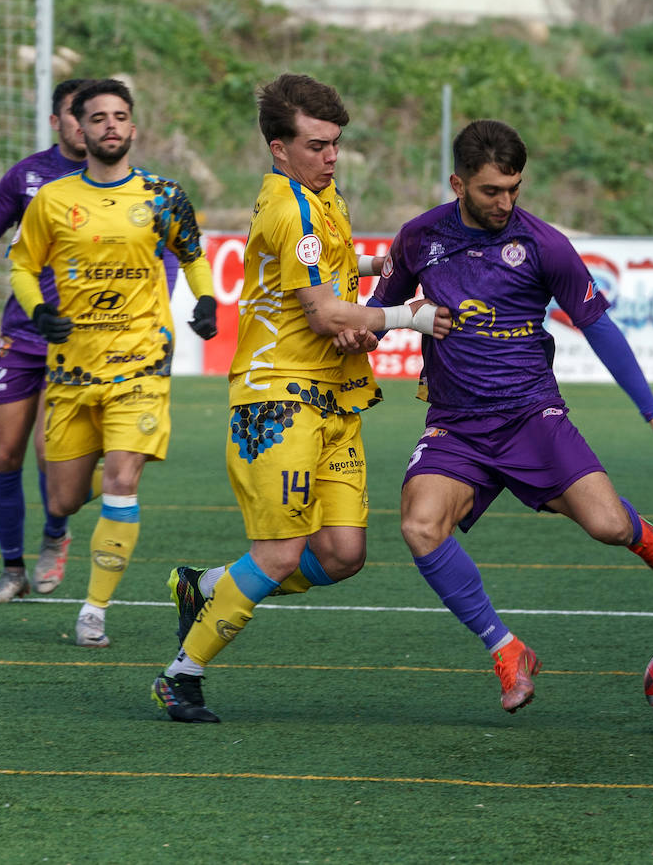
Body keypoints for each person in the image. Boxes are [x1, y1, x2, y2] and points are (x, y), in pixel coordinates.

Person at [366, 119, 653, 714]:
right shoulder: (419, 238)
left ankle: (638, 531)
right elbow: (376, 314)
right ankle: (507, 649)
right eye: (492, 190)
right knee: (420, 526)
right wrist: (379, 325)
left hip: (531, 417)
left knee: (604, 526)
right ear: (458, 183)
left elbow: (598, 326)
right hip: (456, 425)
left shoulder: (544, 244)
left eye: (514, 188)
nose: (505, 202)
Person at [149, 73, 451, 723]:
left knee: (343, 554)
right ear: (278, 148)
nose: (331, 156)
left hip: (334, 401)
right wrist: (410, 317)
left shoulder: (320, 197)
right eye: (317, 145)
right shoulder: (292, 208)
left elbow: (334, 275)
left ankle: (204, 588)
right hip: (276, 401)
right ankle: (182, 673)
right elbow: (320, 312)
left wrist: (386, 266)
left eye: (336, 143)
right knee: (282, 552)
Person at [7, 77, 219, 648]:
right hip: (73, 371)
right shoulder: (52, 200)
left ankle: (94, 610)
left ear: (133, 125)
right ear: (79, 127)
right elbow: (22, 267)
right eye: (97, 117)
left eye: (119, 116)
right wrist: (38, 311)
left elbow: (193, 257)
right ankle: (75, 520)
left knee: (123, 480)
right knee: (64, 499)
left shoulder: (163, 195)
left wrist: (205, 300)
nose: (109, 126)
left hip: (141, 365)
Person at [0, 78, 89, 603]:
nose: (86, 125)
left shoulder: (118, 182)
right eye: (76, 115)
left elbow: (165, 247)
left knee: (55, 457)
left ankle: (55, 535)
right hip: (21, 335)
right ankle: (12, 570)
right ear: (57, 122)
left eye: (95, 115)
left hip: (80, 342)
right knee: (6, 453)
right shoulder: (28, 176)